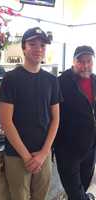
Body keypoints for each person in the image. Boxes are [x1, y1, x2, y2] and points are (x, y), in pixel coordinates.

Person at [0, 27, 62, 200]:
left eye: (42, 45)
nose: (38, 49)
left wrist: (43, 154)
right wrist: (27, 157)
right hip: (16, 155)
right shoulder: (10, 79)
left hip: (44, 153)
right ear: (24, 47)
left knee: (41, 197)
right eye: (32, 44)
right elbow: (6, 121)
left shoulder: (51, 81)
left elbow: (56, 119)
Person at [54, 45, 96, 200]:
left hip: (90, 148)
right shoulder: (61, 82)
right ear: (73, 61)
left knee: (83, 187)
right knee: (75, 193)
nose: (85, 65)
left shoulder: (95, 81)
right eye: (81, 61)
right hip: (67, 150)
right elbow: (53, 115)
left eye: (89, 61)